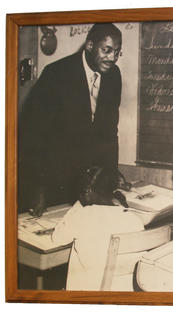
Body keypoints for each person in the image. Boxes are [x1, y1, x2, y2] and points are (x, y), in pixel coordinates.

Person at [19, 23, 129, 216]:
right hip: (50, 177)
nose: (112, 58)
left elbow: (110, 131)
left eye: (117, 52)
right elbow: (32, 134)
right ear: (89, 46)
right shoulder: (56, 74)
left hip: (86, 184)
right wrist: (37, 188)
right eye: (107, 50)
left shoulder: (114, 76)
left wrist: (111, 172)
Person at [51, 166, 144, 291]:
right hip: (124, 291)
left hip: (90, 292)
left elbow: (57, 238)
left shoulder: (83, 216)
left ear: (87, 191)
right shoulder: (134, 219)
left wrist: (79, 204)